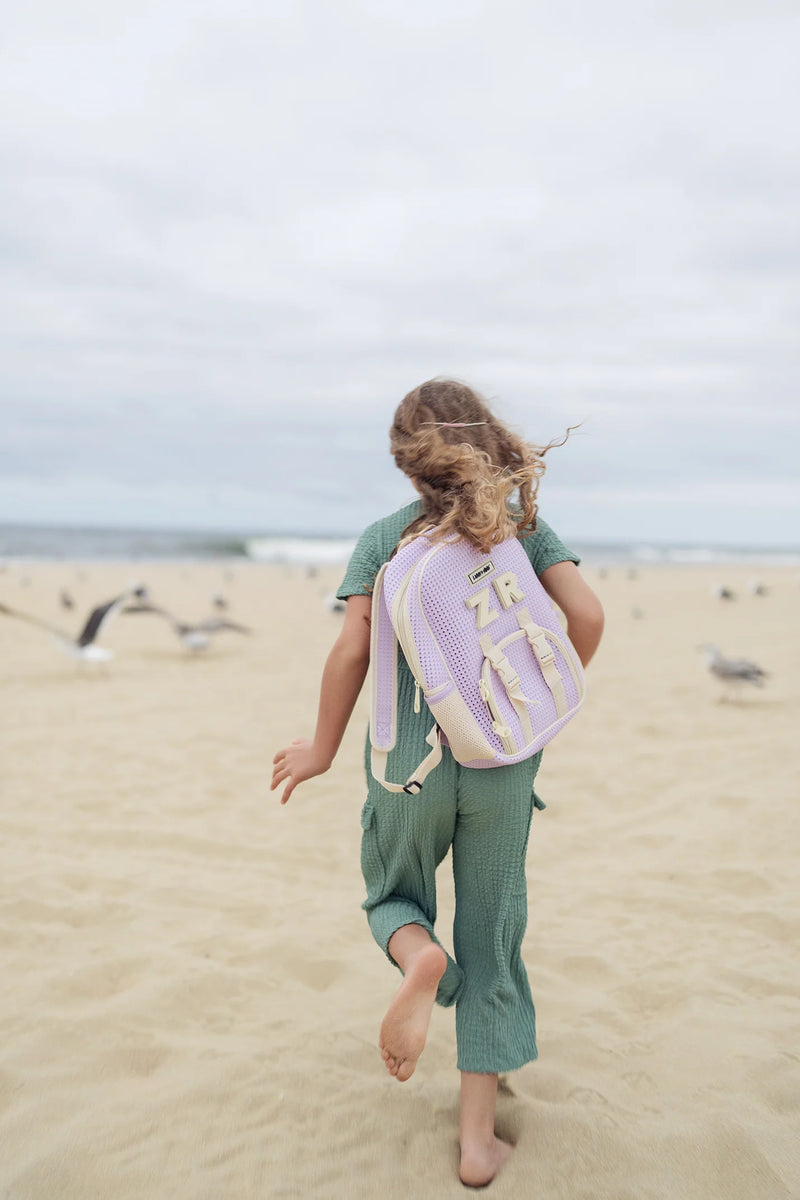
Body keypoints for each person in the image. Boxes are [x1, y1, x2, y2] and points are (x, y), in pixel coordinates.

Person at [271, 378, 604, 1187]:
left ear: (407, 461)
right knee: (491, 937)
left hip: (406, 770)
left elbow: (352, 651)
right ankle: (477, 1143)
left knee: (392, 896)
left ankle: (420, 958)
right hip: (499, 767)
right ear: (487, 440)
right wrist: (534, 707)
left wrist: (320, 749)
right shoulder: (520, 526)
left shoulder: (384, 539)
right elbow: (588, 617)